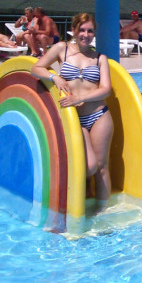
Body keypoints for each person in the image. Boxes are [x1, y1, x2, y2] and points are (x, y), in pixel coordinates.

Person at [31, 13, 114, 211]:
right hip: (74, 118)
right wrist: (55, 77)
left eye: (90, 30)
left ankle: (103, 212)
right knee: (89, 166)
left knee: (101, 167)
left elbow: (106, 89)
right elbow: (36, 68)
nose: (86, 34)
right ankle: (82, 201)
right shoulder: (62, 49)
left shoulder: (100, 58)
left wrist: (79, 97)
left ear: (94, 33)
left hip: (99, 115)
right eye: (82, 30)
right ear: (74, 30)